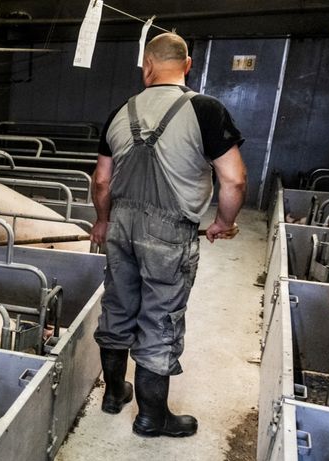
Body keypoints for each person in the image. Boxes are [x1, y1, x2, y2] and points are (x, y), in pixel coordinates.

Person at [91, 32, 247, 438]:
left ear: (147, 66)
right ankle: (151, 418)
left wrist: (103, 221)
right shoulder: (206, 110)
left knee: (118, 308)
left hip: (121, 226)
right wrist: (223, 222)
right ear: (188, 64)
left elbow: (102, 181)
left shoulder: (120, 112)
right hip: (169, 231)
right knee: (159, 319)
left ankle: (112, 395)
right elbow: (234, 180)